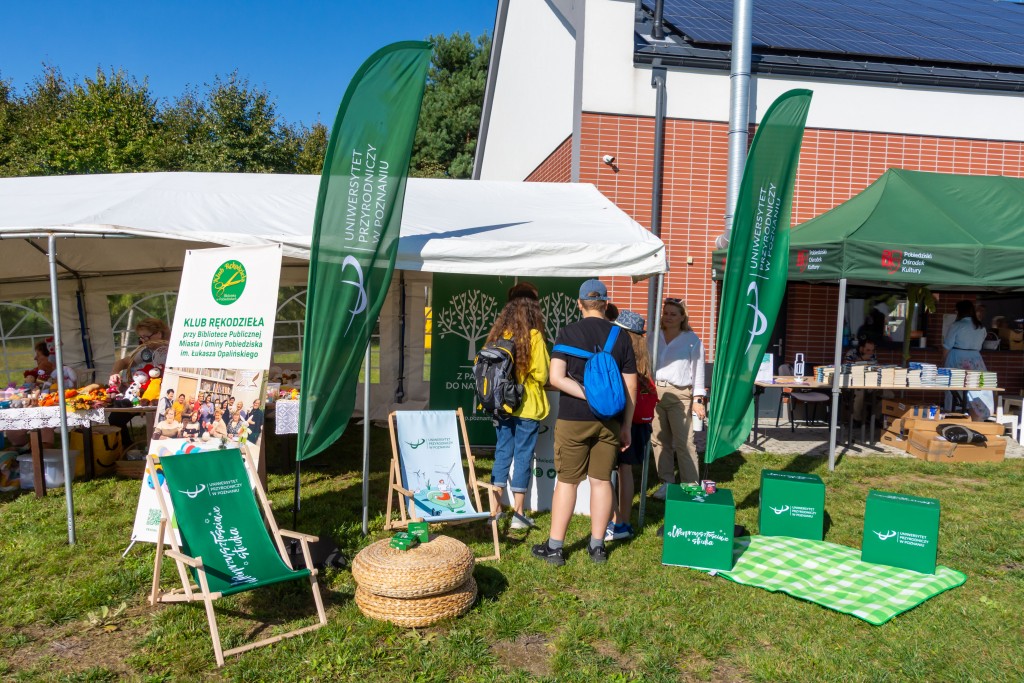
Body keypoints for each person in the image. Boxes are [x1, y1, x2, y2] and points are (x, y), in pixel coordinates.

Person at [532, 279, 636, 566]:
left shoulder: (568, 332)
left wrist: (588, 394)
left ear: (579, 304)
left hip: (573, 418)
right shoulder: (621, 336)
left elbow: (556, 378)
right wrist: (626, 425)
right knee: (602, 482)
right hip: (610, 420)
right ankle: (597, 546)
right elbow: (630, 386)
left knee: (567, 482)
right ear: (605, 303)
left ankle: (555, 548)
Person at [485, 282, 550, 532]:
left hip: (502, 404)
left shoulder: (498, 334)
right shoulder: (534, 337)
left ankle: (494, 511)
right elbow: (542, 375)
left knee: (502, 453)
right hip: (527, 406)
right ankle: (519, 514)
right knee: (523, 456)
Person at [607, 310, 657, 542]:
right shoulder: (644, 361)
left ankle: (615, 520)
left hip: (621, 422)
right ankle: (624, 521)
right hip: (640, 425)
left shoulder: (621, 356)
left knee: (603, 473)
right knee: (625, 471)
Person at [652, 298, 706, 499]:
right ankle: (666, 482)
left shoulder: (691, 339)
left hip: (680, 394)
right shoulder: (654, 336)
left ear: (683, 317)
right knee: (659, 440)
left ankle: (691, 485)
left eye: (673, 314)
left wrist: (698, 399)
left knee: (685, 443)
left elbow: (698, 370)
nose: (668, 317)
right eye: (666, 313)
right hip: (655, 392)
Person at [108, 318, 170, 447]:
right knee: (115, 418)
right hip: (143, 394)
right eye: (141, 338)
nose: (143, 341)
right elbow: (122, 362)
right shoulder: (145, 351)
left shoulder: (173, 350)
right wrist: (114, 373)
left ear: (159, 333)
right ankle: (128, 448)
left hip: (166, 395)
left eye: (146, 337)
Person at [943, 300, 993, 414]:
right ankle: (978, 413)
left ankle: (952, 412)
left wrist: (943, 361)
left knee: (952, 387)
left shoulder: (956, 325)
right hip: (976, 358)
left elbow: (947, 346)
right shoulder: (980, 327)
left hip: (956, 356)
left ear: (959, 311)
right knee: (977, 388)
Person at [845, 339, 878, 425]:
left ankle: (875, 418)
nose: (870, 352)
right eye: (868, 350)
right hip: (854, 383)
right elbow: (847, 367)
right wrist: (862, 359)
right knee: (860, 394)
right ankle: (857, 419)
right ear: (861, 348)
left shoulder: (872, 355)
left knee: (888, 394)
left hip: (870, 383)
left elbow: (876, 368)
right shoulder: (851, 353)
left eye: (872, 350)